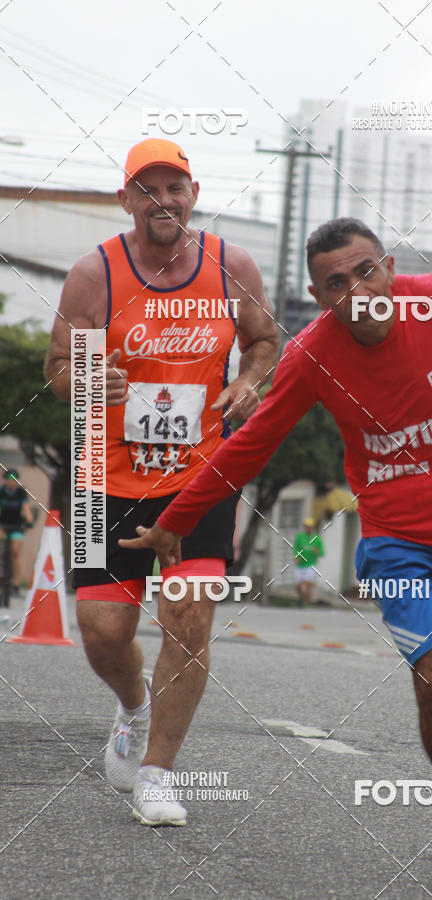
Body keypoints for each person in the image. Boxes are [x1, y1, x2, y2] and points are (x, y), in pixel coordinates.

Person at [120, 217, 432, 891]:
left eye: (366, 270)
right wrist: (174, 522)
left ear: (391, 268)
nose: (357, 291)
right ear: (320, 298)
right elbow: (248, 444)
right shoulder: (313, 355)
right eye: (336, 283)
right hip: (396, 543)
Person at [44, 138, 279, 827]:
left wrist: (247, 380)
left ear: (193, 194)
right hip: (103, 476)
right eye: (146, 190)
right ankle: (131, 705)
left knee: (189, 613)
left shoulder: (229, 265)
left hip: (199, 476)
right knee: (101, 629)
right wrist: (90, 377)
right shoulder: (95, 275)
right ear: (126, 200)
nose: (162, 201)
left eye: (173, 188)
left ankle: (158, 773)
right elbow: (59, 369)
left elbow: (265, 340)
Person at [0, 468, 34, 599]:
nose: (11, 483)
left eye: (14, 480)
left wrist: (29, 520)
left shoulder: (21, 492)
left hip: (16, 526)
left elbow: (26, 508)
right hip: (3, 524)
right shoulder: (2, 491)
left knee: (15, 552)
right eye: (9, 480)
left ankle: (16, 584)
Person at [293, 517, 324, 605]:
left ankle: (306, 604)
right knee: (298, 586)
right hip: (300, 565)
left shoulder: (316, 538)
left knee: (307, 583)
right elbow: (295, 548)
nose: (308, 528)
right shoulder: (300, 537)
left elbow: (322, 552)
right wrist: (296, 556)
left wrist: (317, 552)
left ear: (312, 528)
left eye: (310, 526)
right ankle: (302, 598)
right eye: (306, 526)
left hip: (311, 565)